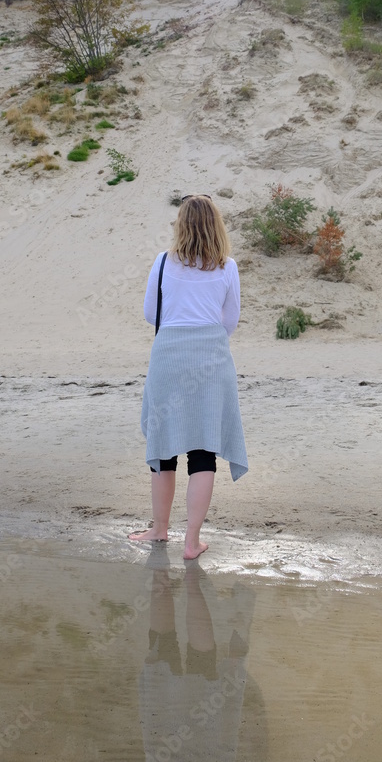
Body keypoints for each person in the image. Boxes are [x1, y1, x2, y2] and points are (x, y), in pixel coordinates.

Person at [129, 194, 248, 559]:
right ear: (216, 224)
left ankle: (160, 529)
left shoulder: (163, 262)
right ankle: (191, 542)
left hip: (169, 357)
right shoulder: (227, 266)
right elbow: (230, 321)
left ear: (180, 223)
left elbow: (152, 314)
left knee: (164, 449)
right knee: (203, 453)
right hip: (211, 359)